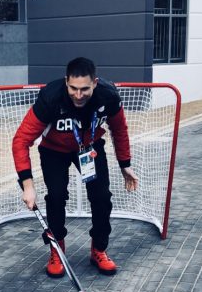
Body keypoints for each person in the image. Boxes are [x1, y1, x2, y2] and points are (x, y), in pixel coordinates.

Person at [12, 56, 139, 277]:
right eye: (73, 88)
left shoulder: (108, 96)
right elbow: (21, 140)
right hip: (54, 150)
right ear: (66, 82)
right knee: (56, 195)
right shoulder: (51, 97)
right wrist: (28, 184)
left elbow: (119, 130)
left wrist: (125, 164)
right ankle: (56, 249)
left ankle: (99, 249)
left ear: (95, 83)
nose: (78, 95)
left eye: (84, 89)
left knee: (101, 197)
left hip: (89, 148)